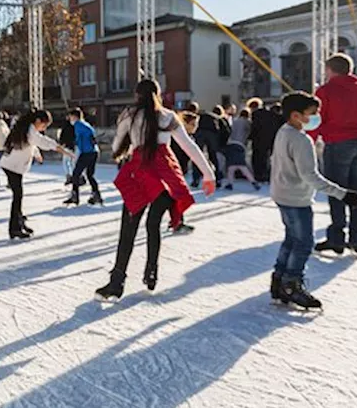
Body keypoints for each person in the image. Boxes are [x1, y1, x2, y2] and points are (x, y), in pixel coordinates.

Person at [96, 80, 215, 300]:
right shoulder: (169, 116)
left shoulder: (129, 114)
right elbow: (189, 146)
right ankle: (151, 272)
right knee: (153, 225)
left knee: (128, 229)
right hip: (165, 177)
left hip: (140, 174)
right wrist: (208, 175)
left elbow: (116, 146)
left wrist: (127, 149)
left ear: (136, 94)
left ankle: (117, 282)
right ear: (158, 94)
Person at [270, 92, 357, 310]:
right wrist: (342, 194)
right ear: (295, 115)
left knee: (291, 239)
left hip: (282, 194)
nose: (317, 117)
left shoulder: (283, 132)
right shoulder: (301, 140)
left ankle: (279, 280)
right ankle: (291, 284)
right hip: (296, 198)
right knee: (303, 243)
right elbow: (310, 176)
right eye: (312, 114)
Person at [312, 53, 357, 254]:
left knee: (337, 190)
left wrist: (310, 141)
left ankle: (337, 238)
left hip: (338, 142)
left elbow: (317, 119)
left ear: (330, 70)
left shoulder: (326, 90)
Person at [0, 110, 75, 239]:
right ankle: (14, 228)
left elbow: (32, 145)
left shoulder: (27, 129)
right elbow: (43, 141)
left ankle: (19, 223)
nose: (43, 129)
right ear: (38, 121)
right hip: (12, 167)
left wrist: (38, 155)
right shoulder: (30, 131)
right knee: (17, 196)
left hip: (12, 166)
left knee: (18, 196)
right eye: (44, 126)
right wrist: (61, 150)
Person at [65, 108, 103, 206]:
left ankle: (75, 196)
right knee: (90, 175)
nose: (69, 119)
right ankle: (96, 194)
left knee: (76, 174)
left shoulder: (78, 125)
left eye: (70, 116)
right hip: (94, 151)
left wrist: (76, 149)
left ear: (75, 116)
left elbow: (79, 140)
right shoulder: (86, 124)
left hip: (86, 152)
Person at [222, 108, 259, 191]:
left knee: (231, 166)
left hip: (231, 143)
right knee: (241, 165)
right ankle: (253, 182)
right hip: (240, 145)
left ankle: (230, 183)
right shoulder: (247, 122)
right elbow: (250, 132)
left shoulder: (234, 121)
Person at [248, 98, 280, 183]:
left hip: (258, 140)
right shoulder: (271, 114)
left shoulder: (256, 114)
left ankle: (259, 175)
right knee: (269, 158)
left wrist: (250, 137)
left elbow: (255, 127)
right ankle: (268, 175)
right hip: (271, 139)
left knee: (258, 158)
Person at [58, 114, 77, 186]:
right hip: (73, 146)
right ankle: (76, 176)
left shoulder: (66, 126)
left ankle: (69, 176)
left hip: (67, 146)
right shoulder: (75, 126)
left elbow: (62, 136)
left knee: (66, 162)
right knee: (73, 162)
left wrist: (61, 143)